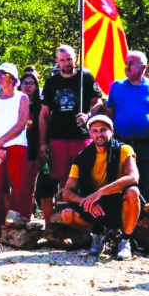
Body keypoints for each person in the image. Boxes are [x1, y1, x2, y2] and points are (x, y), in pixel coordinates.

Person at [58, 115, 141, 260]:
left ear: (111, 131)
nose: (99, 134)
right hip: (95, 207)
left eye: (103, 130)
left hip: (118, 203)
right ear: (90, 134)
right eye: (95, 131)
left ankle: (125, 240)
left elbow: (133, 177)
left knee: (133, 191)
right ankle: (99, 232)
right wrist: (84, 201)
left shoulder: (124, 150)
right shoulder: (82, 157)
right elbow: (66, 192)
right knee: (66, 214)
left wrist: (100, 193)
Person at [40, 45, 104, 195]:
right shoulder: (51, 82)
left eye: (69, 59)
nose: (66, 63)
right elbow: (44, 114)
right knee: (63, 180)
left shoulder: (85, 78)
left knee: (85, 176)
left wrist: (88, 116)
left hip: (81, 137)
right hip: (58, 137)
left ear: (75, 59)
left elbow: (98, 103)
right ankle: (64, 207)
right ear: (57, 61)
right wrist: (43, 142)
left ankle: (85, 206)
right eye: (62, 60)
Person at [104, 51, 149, 201]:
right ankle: (120, 214)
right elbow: (109, 114)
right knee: (120, 182)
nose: (127, 66)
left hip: (146, 145)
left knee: (146, 184)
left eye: (131, 63)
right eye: (127, 63)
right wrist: (109, 140)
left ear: (143, 67)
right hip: (121, 144)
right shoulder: (116, 86)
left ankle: (143, 215)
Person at [0, 62, 30, 225]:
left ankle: (21, 224)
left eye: (3, 75)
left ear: (12, 78)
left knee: (19, 187)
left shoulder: (22, 98)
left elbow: (20, 124)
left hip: (16, 146)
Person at [20, 71, 51, 219]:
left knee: (33, 185)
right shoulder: (15, 102)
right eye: (25, 83)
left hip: (37, 146)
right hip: (20, 146)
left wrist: (43, 145)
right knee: (21, 185)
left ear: (37, 86)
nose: (27, 86)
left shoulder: (41, 105)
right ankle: (20, 215)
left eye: (31, 83)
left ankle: (30, 215)